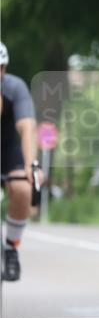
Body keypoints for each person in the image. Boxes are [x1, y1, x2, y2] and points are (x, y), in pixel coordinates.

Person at [1, 41, 40, 281]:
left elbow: (27, 128)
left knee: (24, 189)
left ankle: (11, 248)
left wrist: (31, 165)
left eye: (0, 68)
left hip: (9, 151)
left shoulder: (15, 88)